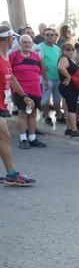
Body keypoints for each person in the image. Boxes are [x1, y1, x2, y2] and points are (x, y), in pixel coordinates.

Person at [0, 25, 36, 186]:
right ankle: (11, 174)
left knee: (4, 137)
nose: (13, 40)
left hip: (3, 104)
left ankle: (11, 173)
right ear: (7, 39)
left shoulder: (5, 57)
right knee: (5, 136)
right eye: (12, 38)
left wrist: (24, 96)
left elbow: (12, 78)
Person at [10, 34, 46, 148]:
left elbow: (40, 71)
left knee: (33, 113)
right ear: (20, 44)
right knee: (23, 113)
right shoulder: (13, 56)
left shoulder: (36, 56)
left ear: (32, 44)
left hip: (35, 89)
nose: (27, 44)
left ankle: (32, 138)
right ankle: (23, 139)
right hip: (21, 91)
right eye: (24, 42)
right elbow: (9, 73)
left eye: (29, 42)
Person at [57, 43, 79, 137]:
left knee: (69, 107)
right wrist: (69, 77)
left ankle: (69, 128)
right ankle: (74, 130)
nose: (70, 51)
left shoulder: (68, 59)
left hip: (69, 87)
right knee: (71, 108)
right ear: (62, 50)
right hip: (68, 87)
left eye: (72, 49)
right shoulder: (64, 58)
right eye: (67, 49)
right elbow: (61, 68)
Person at [38, 27, 63, 125]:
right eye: (47, 35)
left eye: (51, 35)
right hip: (46, 78)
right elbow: (39, 61)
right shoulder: (39, 47)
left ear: (55, 36)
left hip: (57, 77)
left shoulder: (58, 48)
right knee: (45, 100)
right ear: (43, 36)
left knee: (57, 99)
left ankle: (59, 115)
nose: (49, 36)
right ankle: (47, 116)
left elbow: (61, 61)